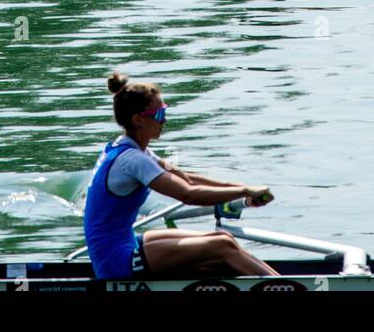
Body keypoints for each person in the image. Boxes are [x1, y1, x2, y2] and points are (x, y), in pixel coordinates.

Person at [83, 72, 278, 279]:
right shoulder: (132, 160)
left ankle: (280, 281)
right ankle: (291, 287)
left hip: (123, 242)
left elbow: (188, 179)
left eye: (164, 111)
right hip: (117, 263)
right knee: (220, 247)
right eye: (158, 114)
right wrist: (245, 191)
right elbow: (189, 194)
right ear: (138, 119)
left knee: (224, 238)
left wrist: (241, 190)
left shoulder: (132, 149)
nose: (164, 120)